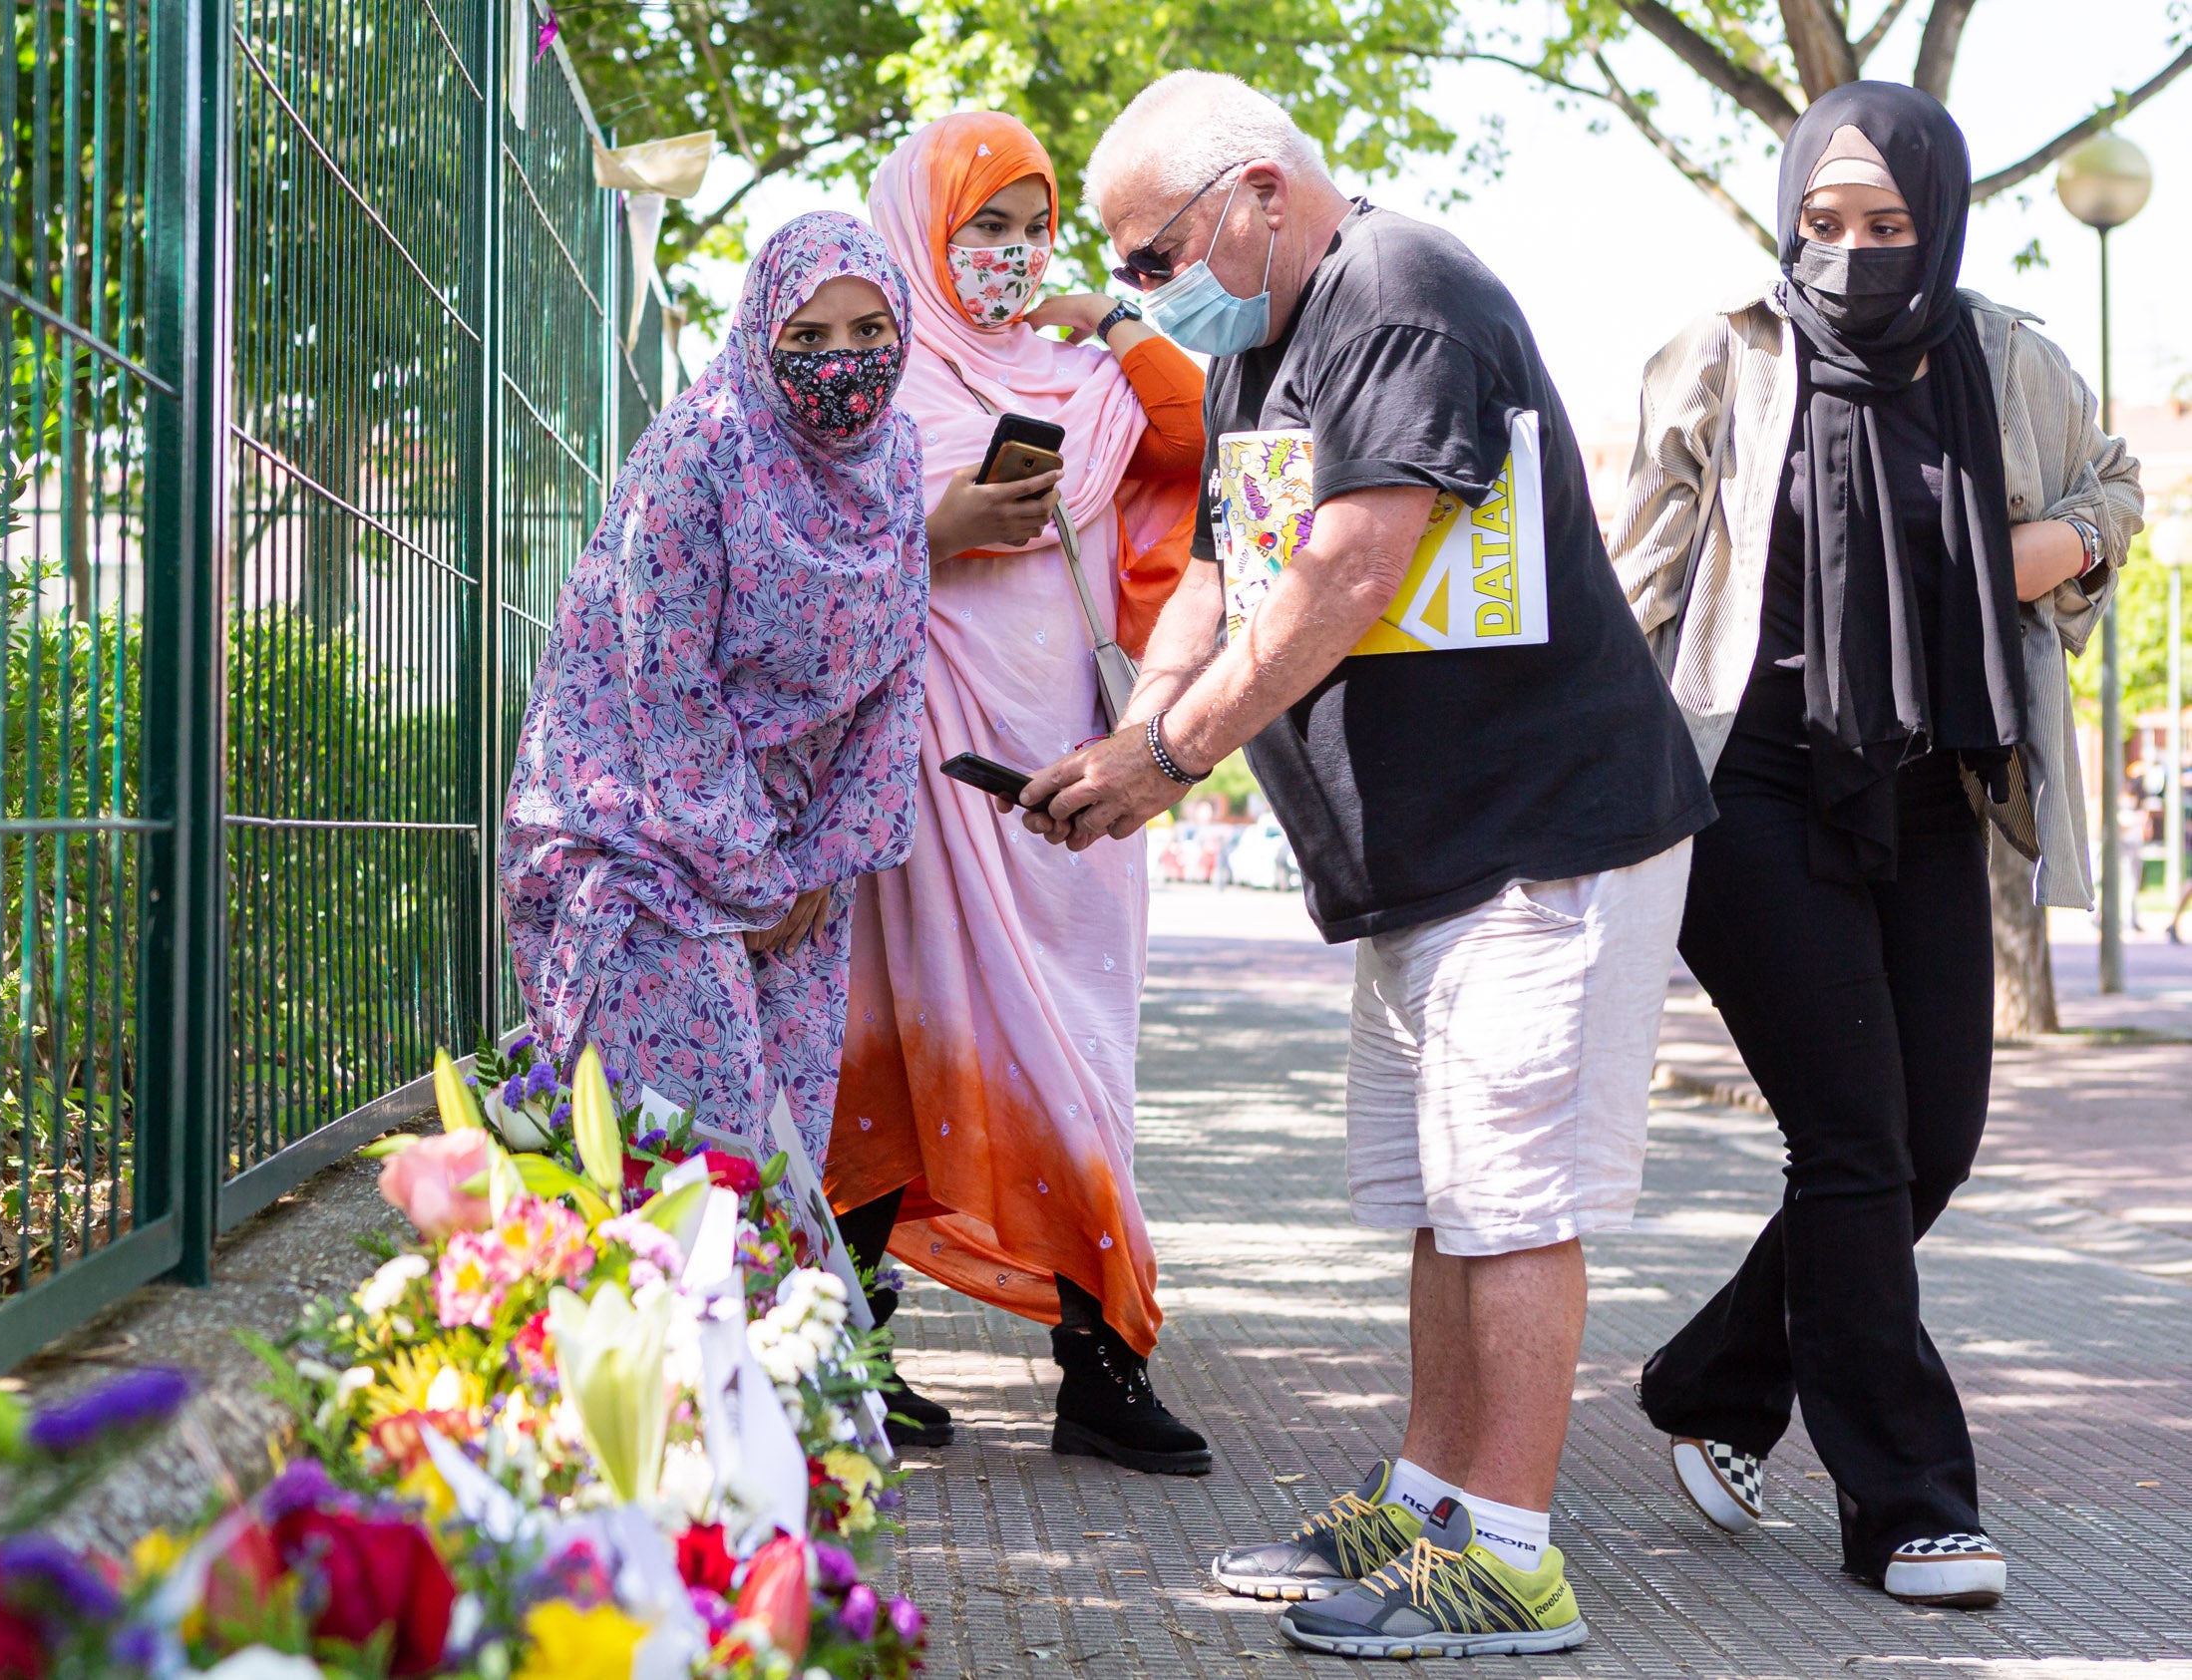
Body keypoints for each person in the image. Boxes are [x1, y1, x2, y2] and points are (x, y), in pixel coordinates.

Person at [1020, 71, 1713, 1657]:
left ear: (1258, 191)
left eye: (1152, 255)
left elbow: (1343, 571)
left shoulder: (1399, 297)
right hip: (1428, 857)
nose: (1143, 292)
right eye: (1129, 268)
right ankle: (1430, 1506)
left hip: (1542, 835)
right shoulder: (1268, 343)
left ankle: (1511, 1559)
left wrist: (1170, 759)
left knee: (1509, 1204)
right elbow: (1222, 566)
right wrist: (1136, 725)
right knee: (1439, 1197)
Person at [1614, 82, 2139, 1611]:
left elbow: (2110, 493)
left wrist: (2030, 553)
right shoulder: (1721, 357)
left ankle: (1717, 1379)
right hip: (1748, 788)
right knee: (1850, 1141)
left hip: (1930, 788)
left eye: (1888, 225)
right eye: (1822, 223)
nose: (1849, 252)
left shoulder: (2007, 361)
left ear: (1941, 217)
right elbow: (1630, 586)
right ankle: (1906, 1502)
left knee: (1933, 1144)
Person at [824, 111, 1211, 1474]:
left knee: (1075, 1046)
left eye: (1029, 224)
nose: (1008, 249)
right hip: (921, 760)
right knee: (904, 1030)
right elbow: (785, 544)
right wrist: (934, 532)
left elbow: (1190, 425)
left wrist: (1102, 314)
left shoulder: (1074, 376)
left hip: (1072, 772)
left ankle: (1090, 1368)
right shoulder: (857, 373)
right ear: (918, 227)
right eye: (982, 223)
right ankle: (861, 1350)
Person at [500, 211, 931, 1164]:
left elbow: (899, 666)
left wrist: (820, 860)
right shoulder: (697, 452)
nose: (843, 362)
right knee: (696, 1139)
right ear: (759, 335)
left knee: (783, 1152)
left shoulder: (897, 459)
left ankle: (773, 1317)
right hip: (639, 832)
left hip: (800, 851)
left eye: (869, 334)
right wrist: (749, 870)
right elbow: (669, 684)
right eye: (808, 338)